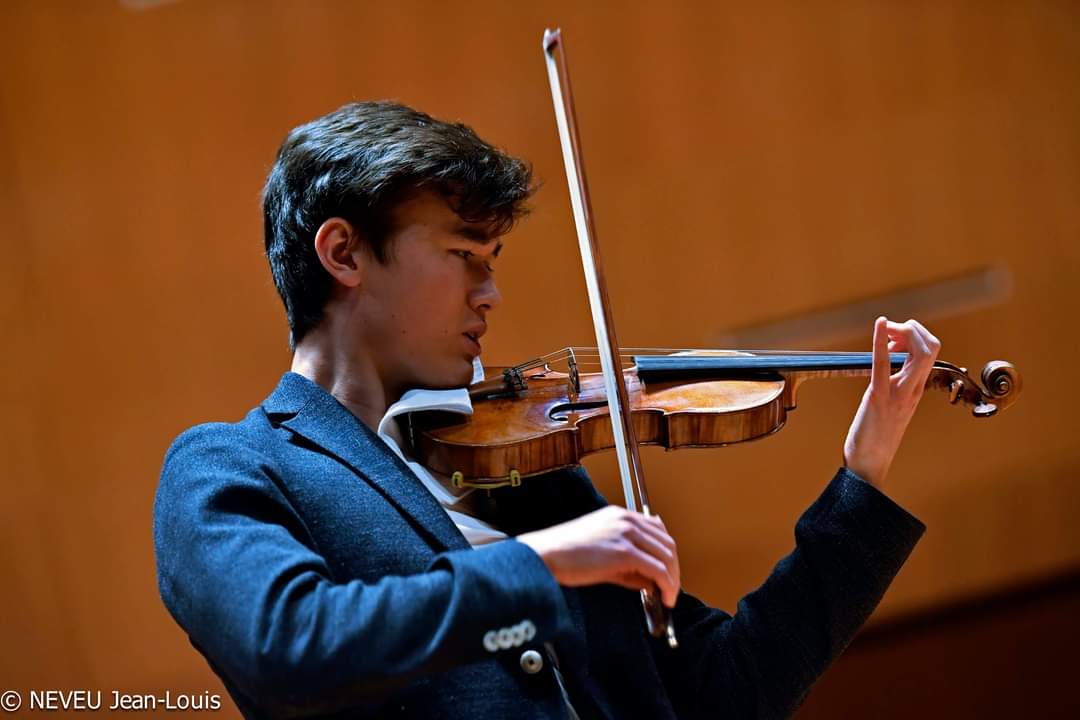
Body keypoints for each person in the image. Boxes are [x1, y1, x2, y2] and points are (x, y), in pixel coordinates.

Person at [154, 101, 938, 719]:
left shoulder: (529, 477)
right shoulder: (231, 467)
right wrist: (543, 563)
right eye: (465, 256)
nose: (490, 294)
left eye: (493, 264)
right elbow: (287, 646)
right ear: (344, 253)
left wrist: (861, 477)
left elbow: (727, 692)